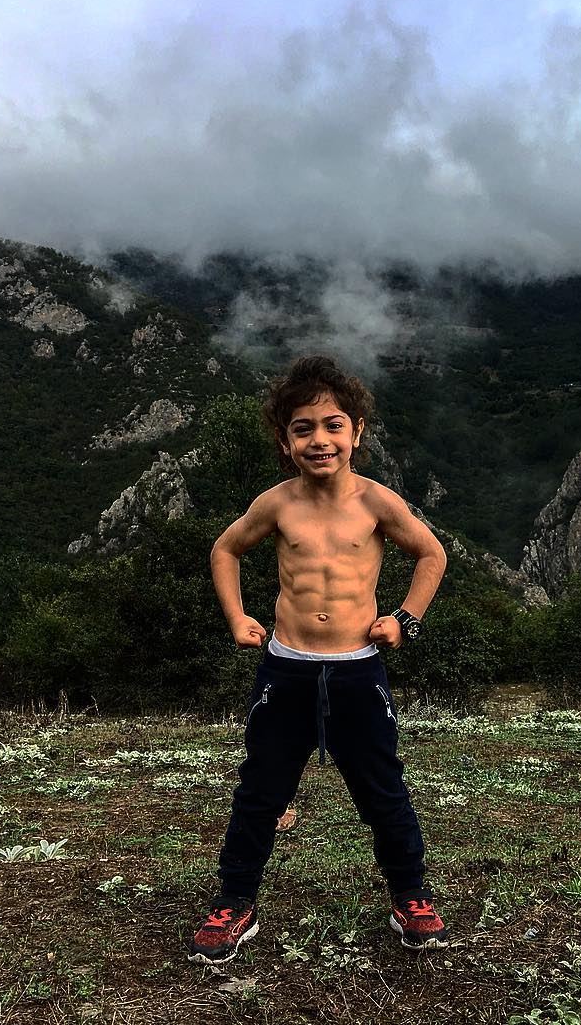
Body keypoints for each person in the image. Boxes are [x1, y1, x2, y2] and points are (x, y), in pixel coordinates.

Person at [188, 355, 449, 964]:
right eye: (303, 428)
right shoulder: (278, 504)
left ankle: (410, 896)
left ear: (357, 431)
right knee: (261, 792)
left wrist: (404, 619)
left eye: (333, 425)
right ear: (286, 441)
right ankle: (235, 903)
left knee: (383, 791)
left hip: (358, 669)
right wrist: (237, 618)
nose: (320, 439)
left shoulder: (377, 502)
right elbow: (225, 549)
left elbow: (431, 554)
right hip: (287, 670)